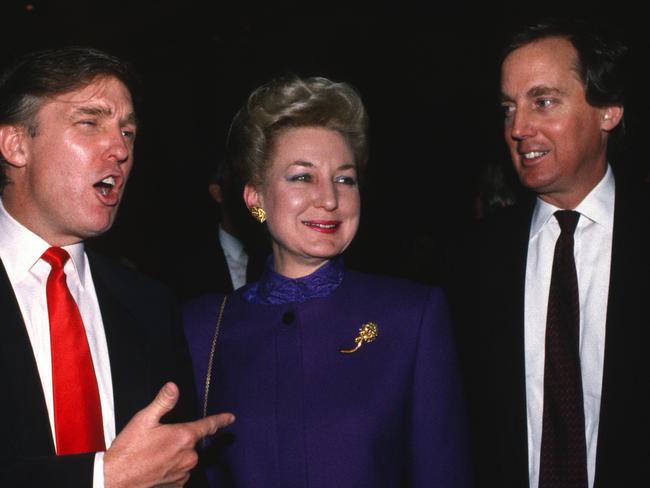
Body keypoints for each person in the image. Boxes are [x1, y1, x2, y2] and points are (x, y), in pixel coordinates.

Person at [183, 75, 469, 487]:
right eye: (302, 177)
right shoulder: (201, 327)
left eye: (344, 179)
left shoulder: (412, 317)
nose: (330, 198)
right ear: (255, 198)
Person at [0, 46, 234, 487]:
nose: (120, 149)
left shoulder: (151, 305)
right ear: (16, 145)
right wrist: (102, 479)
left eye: (127, 132)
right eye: (90, 122)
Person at [445, 19, 650, 488]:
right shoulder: (471, 260)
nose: (518, 128)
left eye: (542, 102)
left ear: (608, 110)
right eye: (507, 108)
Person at [175, 159, 267, 300]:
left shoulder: (271, 255)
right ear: (217, 193)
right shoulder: (185, 262)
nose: (253, 198)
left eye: (257, 187)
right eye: (240, 184)